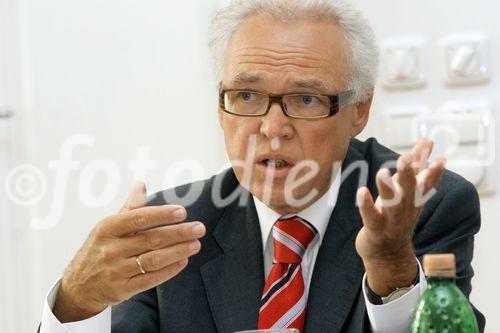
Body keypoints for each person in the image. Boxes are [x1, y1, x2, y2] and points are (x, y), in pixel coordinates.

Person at [39, 0, 485, 332]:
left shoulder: (422, 207)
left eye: (306, 99)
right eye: (247, 97)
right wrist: (78, 301)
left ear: (359, 109)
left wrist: (392, 272)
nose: (273, 128)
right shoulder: (172, 230)